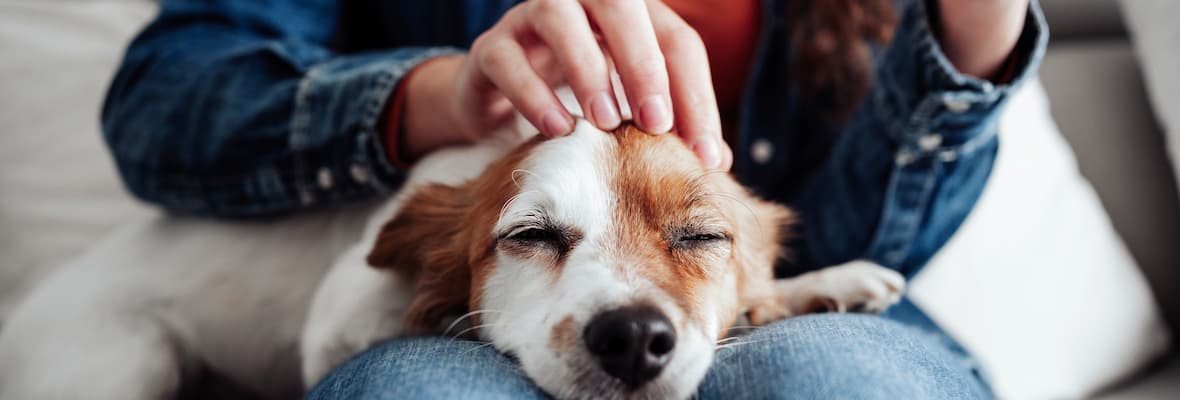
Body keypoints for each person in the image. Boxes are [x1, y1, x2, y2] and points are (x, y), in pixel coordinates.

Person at [101, 0, 1046, 398]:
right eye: (539, 230)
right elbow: (160, 99)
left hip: (766, 305)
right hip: (464, 326)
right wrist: (439, 93)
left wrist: (974, 40)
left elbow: (835, 248)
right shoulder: (435, 245)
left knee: (837, 385)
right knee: (416, 389)